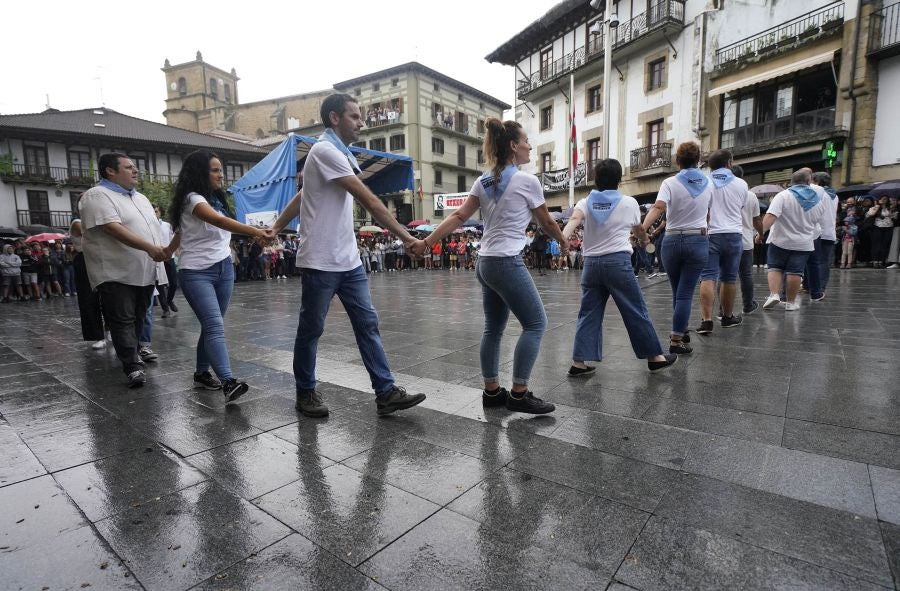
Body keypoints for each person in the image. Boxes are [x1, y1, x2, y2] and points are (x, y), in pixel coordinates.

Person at [269, 93, 426, 418]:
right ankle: (306, 392)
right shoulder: (326, 151)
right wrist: (407, 237)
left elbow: (303, 195)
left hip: (348, 260)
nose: (361, 122)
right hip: (320, 260)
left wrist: (275, 226)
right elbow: (370, 201)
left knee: (367, 323)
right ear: (334, 119)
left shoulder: (335, 152)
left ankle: (385, 392)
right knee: (311, 329)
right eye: (354, 116)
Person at [410, 117, 567, 414]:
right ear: (513, 146)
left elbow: (458, 218)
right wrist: (563, 240)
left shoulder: (483, 180)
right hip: (506, 262)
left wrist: (426, 243)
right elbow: (545, 221)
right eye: (525, 141)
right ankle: (519, 394)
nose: (530, 146)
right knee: (535, 323)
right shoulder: (527, 180)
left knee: (493, 329)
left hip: (485, 263)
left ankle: (492, 392)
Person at [165, 150, 269, 402]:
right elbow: (218, 221)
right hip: (196, 273)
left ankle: (202, 373)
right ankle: (228, 381)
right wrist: (255, 231)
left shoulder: (215, 198)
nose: (221, 174)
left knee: (211, 324)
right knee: (214, 325)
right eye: (215, 170)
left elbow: (182, 232)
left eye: (221, 169)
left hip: (224, 269)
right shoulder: (192, 199)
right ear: (200, 172)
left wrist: (166, 251)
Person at [562, 159, 677, 374]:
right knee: (634, 309)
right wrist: (643, 240)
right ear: (619, 179)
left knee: (588, 313)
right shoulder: (629, 202)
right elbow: (639, 230)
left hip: (591, 265)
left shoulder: (585, 202)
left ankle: (578, 363)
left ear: (596, 179)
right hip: (617, 263)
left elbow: (574, 220)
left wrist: (563, 239)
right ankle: (655, 357)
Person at [79, 153, 168, 388]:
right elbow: (112, 228)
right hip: (115, 271)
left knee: (140, 317)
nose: (135, 171)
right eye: (129, 167)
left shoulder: (141, 198)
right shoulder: (97, 195)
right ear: (110, 171)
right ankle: (132, 367)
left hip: (145, 269)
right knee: (122, 319)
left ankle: (134, 354)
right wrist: (150, 247)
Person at [642, 141, 712, 355]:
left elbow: (659, 207)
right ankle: (676, 340)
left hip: (671, 241)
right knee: (685, 293)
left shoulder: (670, 182)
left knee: (677, 292)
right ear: (698, 159)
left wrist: (641, 229)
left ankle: (680, 331)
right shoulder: (709, 183)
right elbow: (709, 214)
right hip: (697, 240)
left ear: (678, 160)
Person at [696, 149, 748, 334]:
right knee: (729, 278)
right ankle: (727, 317)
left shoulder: (704, 182)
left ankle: (707, 320)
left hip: (710, 234)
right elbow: (740, 206)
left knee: (708, 276)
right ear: (729, 163)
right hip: (733, 233)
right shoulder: (741, 184)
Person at [761, 169, 827, 311]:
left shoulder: (783, 195)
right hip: (803, 243)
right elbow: (818, 221)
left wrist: (760, 233)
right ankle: (790, 303)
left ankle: (774, 294)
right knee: (795, 272)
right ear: (808, 182)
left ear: (792, 182)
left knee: (775, 267)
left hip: (780, 240)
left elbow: (771, 216)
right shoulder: (817, 201)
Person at [70, 218, 108, 348]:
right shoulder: (77, 222)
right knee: (89, 299)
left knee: (109, 297)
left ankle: (112, 331)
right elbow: (93, 235)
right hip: (85, 260)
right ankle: (98, 336)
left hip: (101, 259)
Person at [732, 165, 763, 315]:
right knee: (746, 274)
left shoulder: (720, 191)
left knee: (725, 275)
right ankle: (748, 305)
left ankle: (723, 309)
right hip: (745, 239)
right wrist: (761, 234)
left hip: (725, 238)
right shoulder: (750, 195)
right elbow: (757, 219)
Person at [806, 171, 838, 300]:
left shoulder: (818, 193)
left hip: (818, 231)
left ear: (817, 182)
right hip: (830, 232)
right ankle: (820, 287)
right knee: (823, 261)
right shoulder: (834, 195)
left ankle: (812, 286)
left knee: (812, 260)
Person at [154, 204, 179, 315]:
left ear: (160, 212)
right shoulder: (148, 225)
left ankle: (169, 300)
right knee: (160, 284)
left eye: (156, 211)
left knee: (173, 283)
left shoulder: (167, 225)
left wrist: (176, 251)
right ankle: (165, 309)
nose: (154, 213)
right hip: (156, 258)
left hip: (169, 257)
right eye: (153, 211)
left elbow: (174, 238)